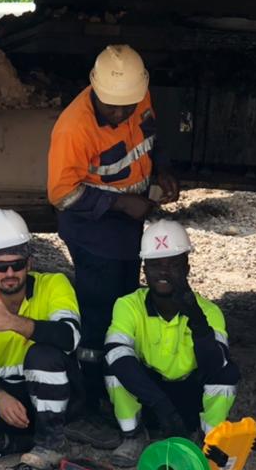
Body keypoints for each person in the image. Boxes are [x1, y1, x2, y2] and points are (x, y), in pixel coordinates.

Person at [47, 44, 178, 449]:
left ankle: (118, 377)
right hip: (92, 227)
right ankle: (91, 398)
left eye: (128, 107)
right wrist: (121, 202)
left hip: (125, 223)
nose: (121, 115)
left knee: (124, 301)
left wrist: (163, 170)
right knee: (100, 308)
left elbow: (151, 135)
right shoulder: (74, 128)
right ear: (94, 91)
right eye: (112, 109)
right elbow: (61, 194)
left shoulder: (135, 97)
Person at [103, 220, 239, 467]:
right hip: (152, 399)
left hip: (189, 401)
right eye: (155, 265)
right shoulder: (128, 305)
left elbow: (216, 366)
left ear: (186, 267)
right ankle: (132, 435)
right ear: (144, 270)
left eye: (172, 265)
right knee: (115, 364)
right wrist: (161, 405)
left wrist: (198, 321)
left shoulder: (209, 311)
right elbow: (116, 355)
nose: (163, 273)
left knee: (227, 373)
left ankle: (209, 442)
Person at [0, 210, 82, 468]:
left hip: (61, 391)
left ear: (29, 263)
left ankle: (52, 442)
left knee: (42, 355)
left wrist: (13, 323)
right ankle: (22, 442)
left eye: (17, 264)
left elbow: (69, 337)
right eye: (0, 267)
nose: (10, 273)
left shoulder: (55, 285)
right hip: (13, 398)